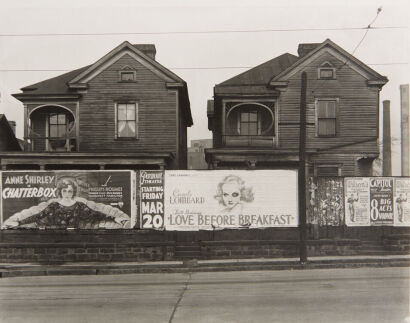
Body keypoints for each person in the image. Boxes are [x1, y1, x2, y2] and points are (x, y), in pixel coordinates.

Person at [3, 178, 130, 229]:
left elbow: (96, 214)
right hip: (55, 236)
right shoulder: (54, 205)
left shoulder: (79, 205)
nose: (67, 193)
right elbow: (38, 216)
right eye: (64, 190)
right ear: (60, 191)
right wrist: (18, 222)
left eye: (70, 191)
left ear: (73, 191)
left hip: (76, 236)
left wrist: (116, 218)